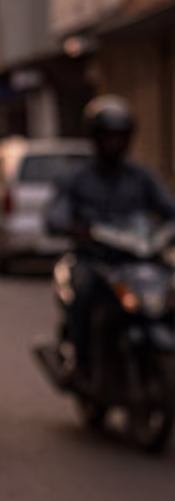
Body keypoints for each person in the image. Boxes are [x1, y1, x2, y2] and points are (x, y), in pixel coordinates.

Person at [47, 94, 175, 378]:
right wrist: (73, 227)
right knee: (81, 291)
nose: (113, 144)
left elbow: (168, 208)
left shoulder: (141, 177)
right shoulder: (78, 178)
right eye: (107, 137)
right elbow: (56, 214)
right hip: (95, 260)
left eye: (119, 137)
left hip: (136, 259)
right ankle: (80, 362)